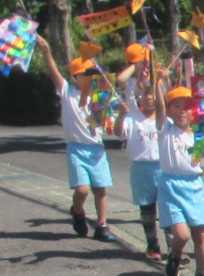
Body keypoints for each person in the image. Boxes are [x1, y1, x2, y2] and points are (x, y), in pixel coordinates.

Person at [39, 40, 115, 242]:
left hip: (97, 149)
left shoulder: (99, 97)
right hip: (76, 148)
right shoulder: (67, 92)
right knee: (82, 190)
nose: (90, 79)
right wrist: (47, 51)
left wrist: (110, 116)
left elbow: (108, 122)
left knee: (100, 189)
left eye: (93, 75)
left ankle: (102, 225)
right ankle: (78, 211)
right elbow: (54, 72)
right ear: (74, 78)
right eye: (85, 75)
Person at [156, 86, 204, 276]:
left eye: (186, 106)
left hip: (194, 185)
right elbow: (159, 106)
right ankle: (174, 256)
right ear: (168, 109)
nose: (181, 110)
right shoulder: (165, 129)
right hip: (171, 186)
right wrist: (158, 83)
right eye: (176, 106)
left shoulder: (200, 135)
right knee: (182, 235)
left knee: (200, 234)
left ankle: (201, 274)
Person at [115, 43, 162, 259]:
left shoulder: (156, 81)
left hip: (161, 164)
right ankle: (152, 245)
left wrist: (156, 71)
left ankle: (174, 249)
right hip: (140, 162)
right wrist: (137, 64)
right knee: (147, 209)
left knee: (168, 207)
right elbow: (121, 80)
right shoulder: (133, 88)